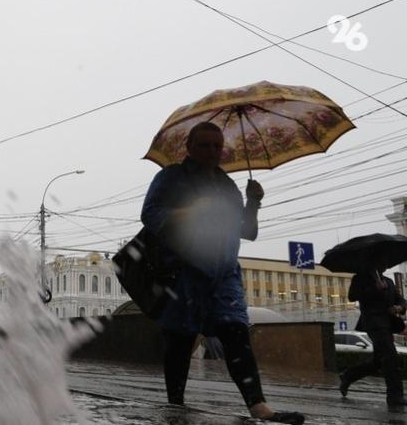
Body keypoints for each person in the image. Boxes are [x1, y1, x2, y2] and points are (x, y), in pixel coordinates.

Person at [141, 121, 304, 424]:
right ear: (188, 147)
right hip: (183, 272)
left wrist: (253, 202)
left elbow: (248, 232)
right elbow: (150, 214)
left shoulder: (227, 186)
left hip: (225, 273)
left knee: (236, 333)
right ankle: (175, 403)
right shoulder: (171, 178)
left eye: (217, 146)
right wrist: (191, 210)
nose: (212, 152)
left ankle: (258, 406)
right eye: (204, 145)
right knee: (180, 340)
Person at [340, 264, 407, 406]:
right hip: (373, 323)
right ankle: (395, 396)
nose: (384, 265)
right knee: (390, 356)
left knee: (378, 362)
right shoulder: (360, 279)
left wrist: (399, 307)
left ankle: (348, 375)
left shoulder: (388, 281)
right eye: (380, 262)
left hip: (388, 324)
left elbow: (400, 299)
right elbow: (352, 296)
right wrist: (373, 289)